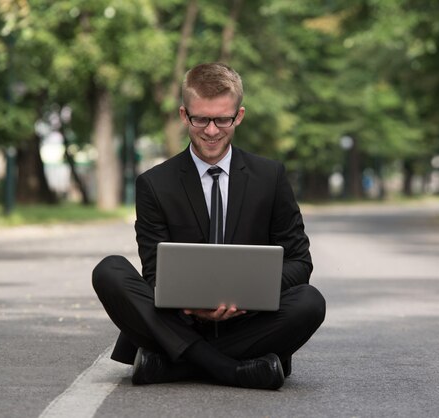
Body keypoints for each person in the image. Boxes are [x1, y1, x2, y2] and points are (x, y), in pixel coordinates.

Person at [92, 62, 326, 390]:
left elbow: (300, 263)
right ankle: (230, 369)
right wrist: (191, 303)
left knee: (310, 302)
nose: (212, 130)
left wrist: (245, 294)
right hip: (179, 319)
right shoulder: (154, 184)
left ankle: (173, 366)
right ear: (184, 115)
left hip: (250, 321)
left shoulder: (270, 177)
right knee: (110, 271)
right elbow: (155, 272)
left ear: (239, 116)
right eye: (201, 118)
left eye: (222, 119)